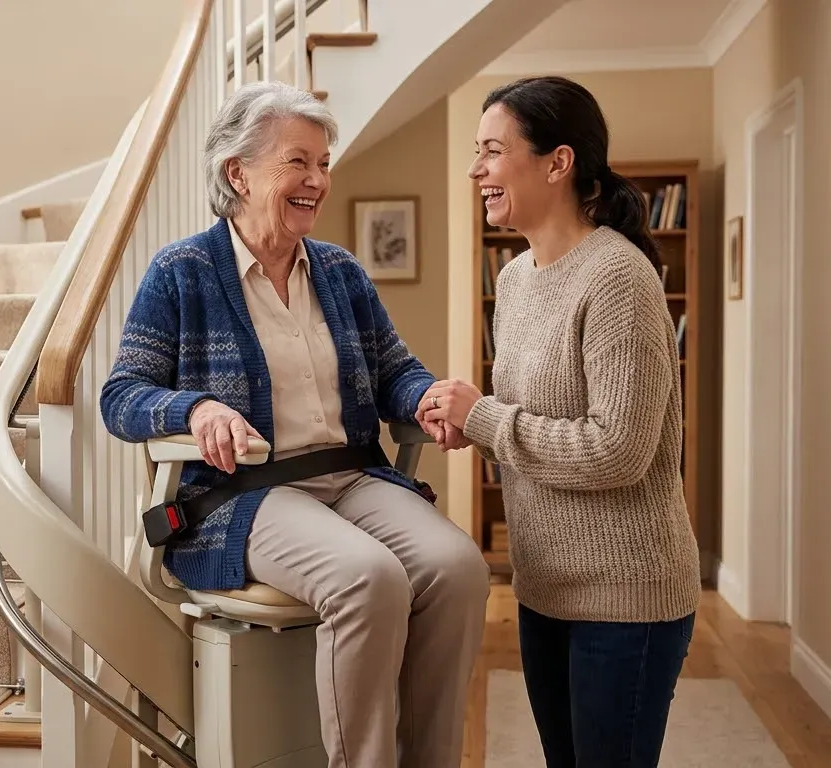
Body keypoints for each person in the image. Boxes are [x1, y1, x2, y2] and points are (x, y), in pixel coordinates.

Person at [100, 80, 490, 768]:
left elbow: (394, 370)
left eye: (323, 162)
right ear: (237, 174)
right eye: (298, 162)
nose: (318, 180)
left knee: (458, 568)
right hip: (243, 495)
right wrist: (194, 407)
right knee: (368, 577)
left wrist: (425, 396)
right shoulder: (180, 272)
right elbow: (122, 394)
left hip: (350, 476)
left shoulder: (339, 272)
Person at [416, 75, 702, 766]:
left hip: (626, 598)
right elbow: (531, 419)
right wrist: (472, 426)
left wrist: (484, 418)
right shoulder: (513, 280)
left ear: (557, 161)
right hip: (542, 586)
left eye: (491, 149)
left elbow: (618, 451)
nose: (475, 169)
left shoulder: (617, 279)